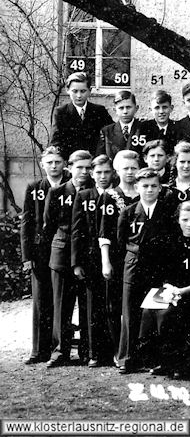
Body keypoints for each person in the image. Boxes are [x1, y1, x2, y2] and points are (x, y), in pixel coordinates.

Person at [137, 200, 190, 379]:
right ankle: (163, 360)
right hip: (173, 292)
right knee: (149, 311)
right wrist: (168, 287)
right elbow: (164, 272)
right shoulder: (172, 241)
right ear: (178, 220)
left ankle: (179, 363)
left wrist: (182, 291)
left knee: (167, 314)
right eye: (185, 219)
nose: (189, 224)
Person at [116, 168, 178, 373]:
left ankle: (154, 358)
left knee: (156, 311)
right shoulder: (128, 212)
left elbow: (172, 242)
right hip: (134, 265)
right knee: (130, 312)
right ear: (136, 188)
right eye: (145, 186)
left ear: (160, 188)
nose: (149, 190)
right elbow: (120, 242)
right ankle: (126, 358)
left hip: (159, 267)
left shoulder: (168, 211)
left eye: (153, 186)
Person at [45, 150, 92, 367]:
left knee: (87, 305)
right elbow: (49, 226)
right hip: (62, 254)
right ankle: (59, 351)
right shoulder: (57, 192)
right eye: (79, 167)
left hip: (88, 256)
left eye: (87, 167)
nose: (84, 171)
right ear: (69, 167)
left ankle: (86, 351)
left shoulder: (95, 191)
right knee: (61, 305)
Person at [20, 146, 67, 365]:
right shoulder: (35, 188)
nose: (54, 166)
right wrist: (27, 256)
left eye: (57, 161)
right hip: (40, 251)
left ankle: (60, 348)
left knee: (60, 298)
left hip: (63, 249)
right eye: (49, 162)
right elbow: (26, 223)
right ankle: (38, 350)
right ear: (42, 164)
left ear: (64, 163)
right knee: (41, 299)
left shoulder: (71, 186)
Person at [69, 154, 114, 367]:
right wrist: (76, 262)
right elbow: (77, 230)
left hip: (112, 258)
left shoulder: (116, 195)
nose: (103, 176)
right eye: (98, 173)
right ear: (92, 174)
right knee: (90, 305)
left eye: (106, 172)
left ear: (112, 173)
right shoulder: (85, 195)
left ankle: (112, 351)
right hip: (89, 259)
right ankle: (91, 352)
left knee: (110, 304)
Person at [97, 151, 140, 360]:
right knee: (115, 305)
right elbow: (104, 232)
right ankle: (117, 350)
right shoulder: (109, 195)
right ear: (117, 170)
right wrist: (105, 261)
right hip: (116, 256)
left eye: (133, 168)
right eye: (126, 168)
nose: (130, 172)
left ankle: (137, 349)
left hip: (139, 258)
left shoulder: (145, 193)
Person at [50, 72, 112, 156]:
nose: (79, 95)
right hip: (71, 162)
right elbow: (56, 141)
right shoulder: (61, 112)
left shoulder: (99, 111)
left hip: (94, 161)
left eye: (83, 91)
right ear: (67, 90)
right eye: (75, 91)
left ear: (89, 91)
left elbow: (111, 134)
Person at [98, 90, 147, 159]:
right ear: (115, 110)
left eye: (128, 107)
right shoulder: (107, 132)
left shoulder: (144, 128)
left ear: (136, 108)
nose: (125, 112)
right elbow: (101, 158)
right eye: (121, 108)